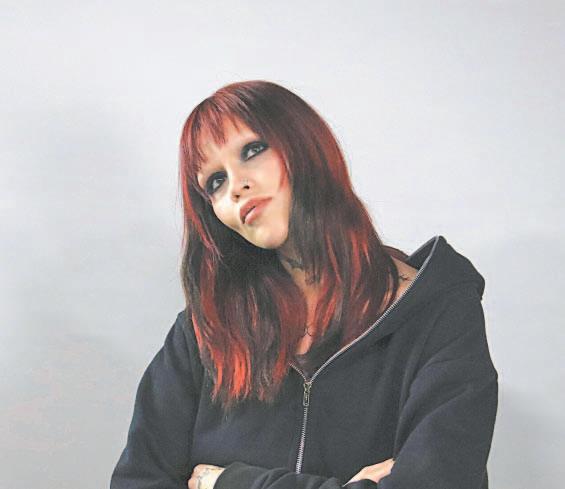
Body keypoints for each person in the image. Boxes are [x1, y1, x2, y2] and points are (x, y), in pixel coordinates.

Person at [110, 80, 498, 489]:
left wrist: (231, 483)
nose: (236, 186)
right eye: (215, 182)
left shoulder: (438, 311)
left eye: (252, 151)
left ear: (303, 143)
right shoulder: (204, 333)